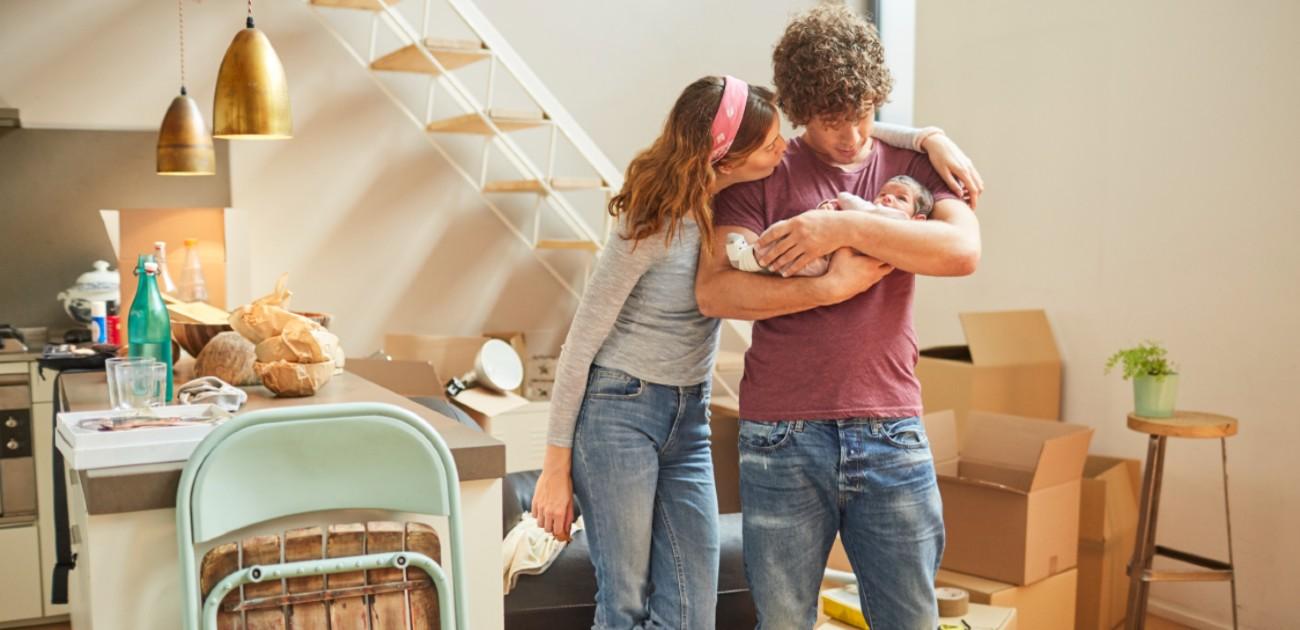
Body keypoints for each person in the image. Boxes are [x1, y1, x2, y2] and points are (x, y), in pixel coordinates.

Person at [530, 75, 979, 628]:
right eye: (770, 144)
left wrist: (924, 135)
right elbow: (582, 340)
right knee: (623, 601)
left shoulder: (728, 197)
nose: (782, 148)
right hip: (620, 405)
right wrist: (554, 467)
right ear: (726, 154)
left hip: (687, 414)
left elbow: (833, 129)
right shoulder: (648, 222)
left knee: (692, 613)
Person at [694, 5, 983, 629]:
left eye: (861, 116)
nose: (851, 138)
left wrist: (840, 226)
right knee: (784, 622)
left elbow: (962, 252)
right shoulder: (763, 171)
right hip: (781, 436)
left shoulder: (914, 167)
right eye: (830, 124)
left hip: (891, 428)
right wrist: (831, 287)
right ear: (799, 112)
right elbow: (716, 291)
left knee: (911, 620)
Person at [727, 175, 934, 275]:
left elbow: (859, 208)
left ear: (918, 220)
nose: (888, 198)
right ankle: (754, 259)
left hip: (829, 261)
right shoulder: (874, 214)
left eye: (901, 198)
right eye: (883, 194)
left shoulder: (897, 221)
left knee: (789, 247)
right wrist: (830, 209)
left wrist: (843, 199)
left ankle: (749, 259)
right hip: (828, 255)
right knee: (790, 238)